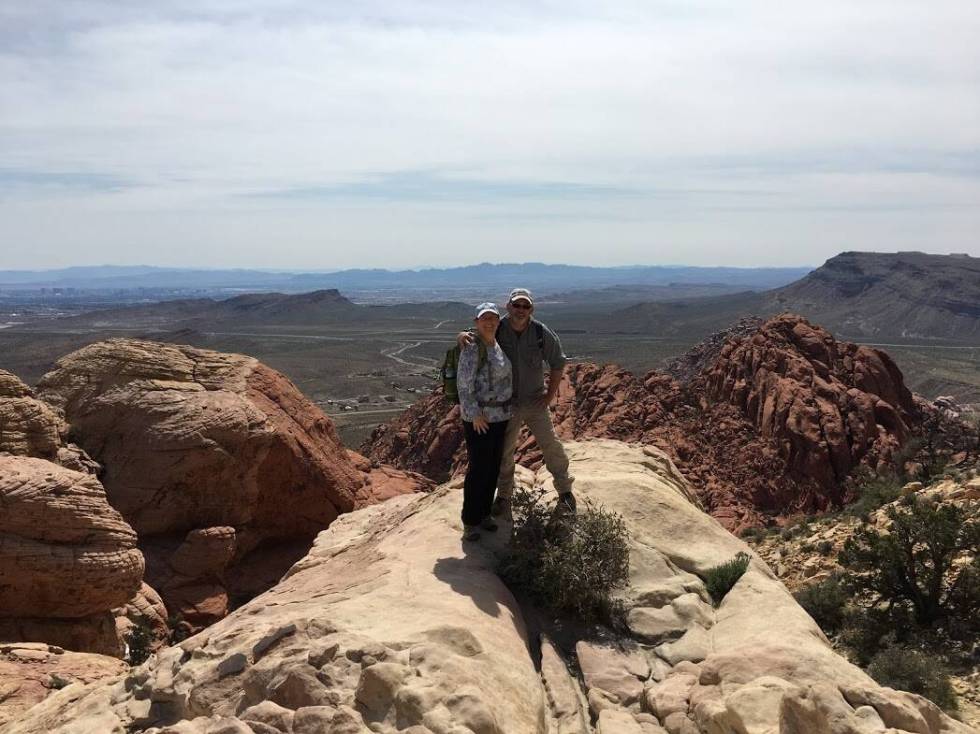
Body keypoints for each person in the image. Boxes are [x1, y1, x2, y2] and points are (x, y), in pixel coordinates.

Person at [459, 287, 575, 518]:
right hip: (507, 405)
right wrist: (461, 335)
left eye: (525, 306)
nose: (521, 310)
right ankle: (504, 497)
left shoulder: (541, 333)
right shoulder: (498, 326)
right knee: (505, 452)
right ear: (508, 306)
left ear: (531, 308)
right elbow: (478, 334)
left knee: (551, 445)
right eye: (517, 305)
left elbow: (558, 362)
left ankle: (565, 491)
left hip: (535, 402)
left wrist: (550, 395)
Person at [457, 302, 513, 541]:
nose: (489, 322)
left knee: (492, 469)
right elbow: (464, 385)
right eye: (484, 319)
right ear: (476, 322)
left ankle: (484, 515)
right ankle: (470, 521)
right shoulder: (472, 348)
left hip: (500, 417)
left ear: (498, 321)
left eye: (493, 318)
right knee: (478, 469)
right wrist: (474, 414)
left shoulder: (497, 344)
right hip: (480, 419)